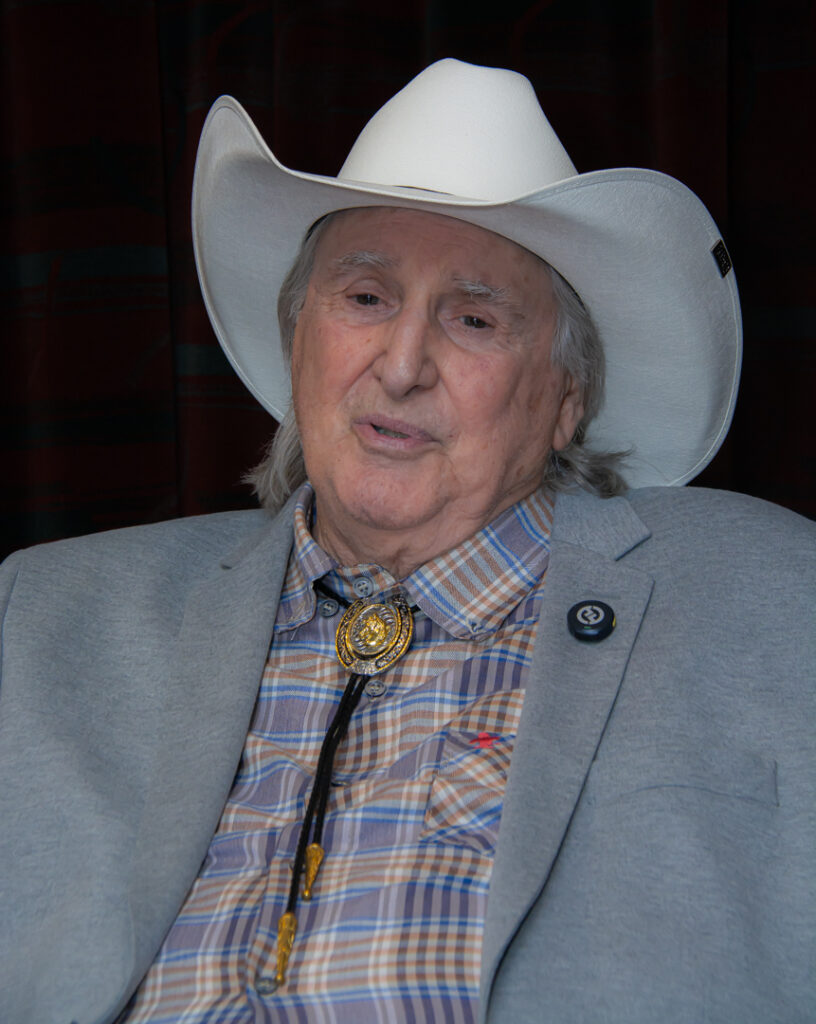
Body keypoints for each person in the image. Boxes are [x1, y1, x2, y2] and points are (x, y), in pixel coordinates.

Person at [0, 59, 813, 1024]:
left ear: (567, 400)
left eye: (473, 318)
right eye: (366, 298)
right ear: (298, 339)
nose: (402, 365)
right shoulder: (42, 618)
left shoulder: (769, 597)